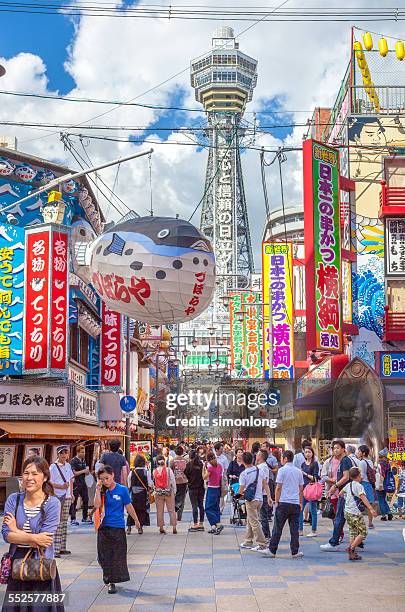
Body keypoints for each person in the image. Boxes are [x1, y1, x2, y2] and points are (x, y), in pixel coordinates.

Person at [1, 456, 63, 612]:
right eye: (26, 473)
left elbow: (45, 540)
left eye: (35, 473)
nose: (29, 478)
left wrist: (16, 530)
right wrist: (30, 537)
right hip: (17, 564)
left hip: (41, 564)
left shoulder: (52, 503)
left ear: (45, 477)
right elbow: (6, 535)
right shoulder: (13, 500)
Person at [94, 465, 140, 595]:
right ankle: (109, 577)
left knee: (117, 555)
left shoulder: (122, 490)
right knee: (103, 556)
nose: (105, 481)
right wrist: (98, 490)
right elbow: (97, 505)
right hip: (103, 527)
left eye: (107, 478)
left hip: (118, 527)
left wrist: (136, 520)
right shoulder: (102, 491)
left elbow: (129, 506)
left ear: (113, 475)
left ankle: (111, 581)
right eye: (102, 479)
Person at [262, 450, 304, 558]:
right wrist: (300, 503)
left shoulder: (282, 470)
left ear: (285, 459)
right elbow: (301, 488)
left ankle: (272, 550)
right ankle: (295, 551)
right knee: (294, 529)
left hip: (283, 502)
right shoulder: (299, 471)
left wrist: (276, 501)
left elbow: (278, 487)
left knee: (277, 528)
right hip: (295, 503)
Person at [339, 467, 377, 561]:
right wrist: (371, 509)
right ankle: (351, 549)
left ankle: (352, 554)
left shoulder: (349, 485)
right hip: (355, 513)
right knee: (363, 532)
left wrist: (348, 498)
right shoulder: (359, 486)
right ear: (359, 475)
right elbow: (363, 498)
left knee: (352, 532)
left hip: (347, 512)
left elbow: (340, 493)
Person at [320, 440, 352, 552]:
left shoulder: (345, 460)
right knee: (345, 517)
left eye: (338, 448)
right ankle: (358, 540)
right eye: (334, 448)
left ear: (343, 449)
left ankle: (333, 542)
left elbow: (346, 477)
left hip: (345, 492)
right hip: (343, 492)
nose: (335, 450)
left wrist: (335, 486)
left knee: (339, 517)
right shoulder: (342, 460)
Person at [238, 451, 268, 551]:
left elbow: (241, 489)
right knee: (251, 520)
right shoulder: (259, 470)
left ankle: (262, 544)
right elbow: (265, 484)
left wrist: (238, 495)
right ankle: (248, 541)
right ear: (253, 459)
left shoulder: (244, 474)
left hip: (251, 500)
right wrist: (269, 496)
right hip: (260, 499)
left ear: (243, 461)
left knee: (254, 522)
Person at [50, 445, 74, 558]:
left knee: (65, 522)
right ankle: (55, 549)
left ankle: (62, 547)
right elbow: (49, 483)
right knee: (58, 523)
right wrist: (61, 486)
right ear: (58, 454)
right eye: (62, 453)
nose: (64, 455)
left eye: (66, 453)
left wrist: (72, 493)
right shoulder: (53, 467)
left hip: (67, 496)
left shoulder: (68, 465)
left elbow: (70, 480)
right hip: (58, 496)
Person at [126, 454, 153, 535]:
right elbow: (150, 484)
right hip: (143, 495)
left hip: (133, 495)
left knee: (131, 510)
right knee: (141, 511)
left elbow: (129, 484)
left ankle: (129, 527)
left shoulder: (132, 472)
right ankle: (140, 527)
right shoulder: (146, 472)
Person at [153, 455, 177, 534]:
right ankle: (174, 527)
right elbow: (173, 481)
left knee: (159, 510)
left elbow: (153, 482)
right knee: (171, 510)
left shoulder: (154, 471)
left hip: (158, 492)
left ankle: (161, 527)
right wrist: (175, 491)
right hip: (168, 492)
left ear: (157, 462)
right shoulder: (168, 470)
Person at [299, 447, 320, 537]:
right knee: (300, 510)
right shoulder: (303, 464)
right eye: (306, 452)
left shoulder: (315, 464)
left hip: (311, 489)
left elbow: (315, 478)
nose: (307, 454)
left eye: (309, 452)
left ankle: (314, 530)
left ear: (312, 453)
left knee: (313, 510)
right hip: (303, 489)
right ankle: (300, 530)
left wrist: (305, 474)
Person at [70, 444, 92, 526]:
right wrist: (83, 471)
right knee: (74, 501)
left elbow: (85, 472)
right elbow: (73, 473)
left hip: (83, 482)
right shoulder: (74, 461)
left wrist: (87, 472)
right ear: (78, 452)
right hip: (76, 483)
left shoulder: (83, 460)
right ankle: (73, 518)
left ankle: (85, 517)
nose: (84, 453)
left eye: (84, 452)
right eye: (82, 452)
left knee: (86, 499)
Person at [356, 444, 376, 529]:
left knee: (358, 503)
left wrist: (356, 484)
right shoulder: (370, 461)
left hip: (363, 484)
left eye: (359, 451)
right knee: (369, 504)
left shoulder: (362, 462)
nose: (358, 452)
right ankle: (370, 522)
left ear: (363, 453)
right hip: (370, 485)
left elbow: (362, 476)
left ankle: (358, 522)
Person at [185, 450, 205, 531]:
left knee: (194, 506)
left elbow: (186, 474)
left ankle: (195, 524)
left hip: (192, 487)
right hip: (201, 487)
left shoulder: (189, 465)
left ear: (190, 457)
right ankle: (201, 523)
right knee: (201, 505)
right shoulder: (201, 464)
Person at [203, 451, 223, 535]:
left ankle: (218, 524)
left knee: (208, 508)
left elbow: (204, 477)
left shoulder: (210, 468)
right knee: (215, 508)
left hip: (211, 489)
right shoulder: (220, 466)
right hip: (218, 488)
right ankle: (214, 527)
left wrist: (204, 468)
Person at [256, 449, 273, 542]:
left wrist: (260, 492)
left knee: (263, 516)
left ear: (261, 457)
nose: (256, 456)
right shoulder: (262, 466)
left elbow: (264, 482)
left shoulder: (262, 467)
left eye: (258, 454)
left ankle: (266, 535)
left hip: (262, 494)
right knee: (263, 515)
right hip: (263, 493)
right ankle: (266, 534)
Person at [169, 446, 188, 521]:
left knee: (174, 497)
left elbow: (170, 472)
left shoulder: (172, 461)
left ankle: (174, 511)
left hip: (175, 482)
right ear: (182, 452)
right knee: (182, 498)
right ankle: (179, 516)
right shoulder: (185, 460)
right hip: (184, 481)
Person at [375, 448, 394, 521]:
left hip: (381, 484)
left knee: (381, 500)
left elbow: (382, 475)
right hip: (386, 484)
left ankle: (383, 516)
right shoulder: (388, 464)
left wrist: (380, 485)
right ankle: (389, 513)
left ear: (384, 457)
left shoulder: (381, 465)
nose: (379, 458)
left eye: (380, 457)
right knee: (383, 499)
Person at [214, 442, 229, 512]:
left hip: (221, 478)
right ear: (216, 450)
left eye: (222, 449)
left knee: (222, 493)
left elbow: (226, 469)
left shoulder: (224, 458)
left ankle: (220, 509)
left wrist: (225, 478)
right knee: (215, 493)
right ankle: (215, 506)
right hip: (213, 478)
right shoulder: (213, 457)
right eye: (221, 449)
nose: (222, 451)